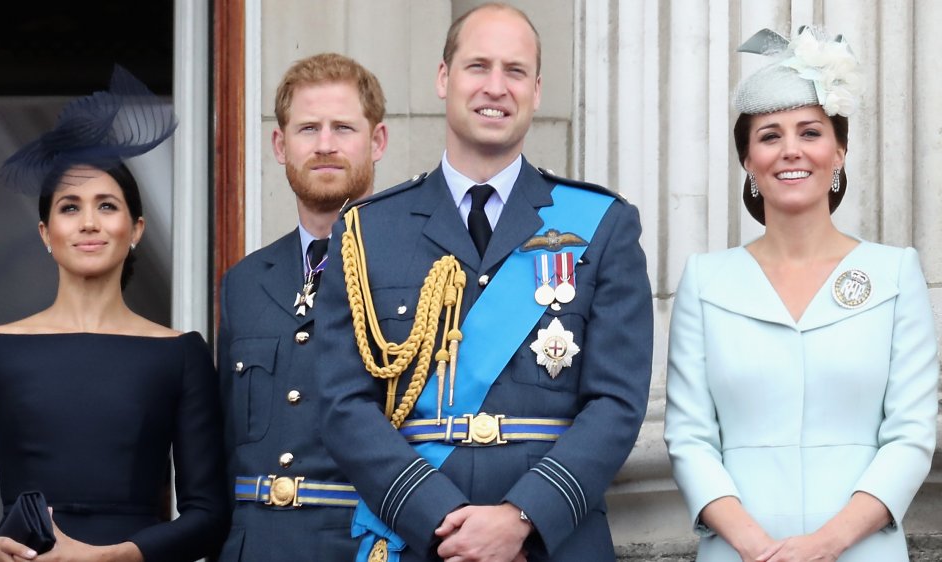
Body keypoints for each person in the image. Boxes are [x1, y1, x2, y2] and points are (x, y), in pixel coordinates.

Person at [315, 4, 653, 561]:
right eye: (478, 67)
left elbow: (616, 403)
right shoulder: (367, 230)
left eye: (514, 71)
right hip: (420, 540)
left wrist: (522, 519)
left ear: (536, 90)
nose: (495, 87)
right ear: (444, 78)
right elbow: (343, 404)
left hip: (551, 542)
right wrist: (443, 521)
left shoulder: (603, 225)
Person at [664, 27, 939, 562]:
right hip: (740, 553)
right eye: (769, 135)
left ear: (839, 150)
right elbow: (690, 438)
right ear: (748, 160)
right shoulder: (705, 281)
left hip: (863, 551)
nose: (791, 150)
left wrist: (822, 546)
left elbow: (909, 436)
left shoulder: (895, 273)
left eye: (810, 132)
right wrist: (758, 548)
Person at [0, 66, 228, 562]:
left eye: (107, 206)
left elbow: (209, 515)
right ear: (44, 233)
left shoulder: (181, 354)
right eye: (70, 207)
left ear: (136, 229)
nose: (90, 223)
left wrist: (112, 556)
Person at [215, 53, 387, 561]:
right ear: (279, 144)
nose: (326, 144)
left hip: (365, 546)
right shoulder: (244, 283)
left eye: (343, 128)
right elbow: (226, 450)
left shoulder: (420, 270)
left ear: (377, 141)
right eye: (308, 128)